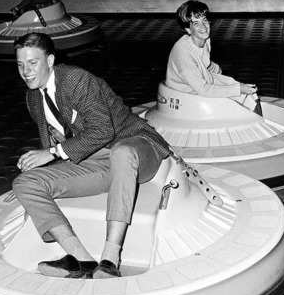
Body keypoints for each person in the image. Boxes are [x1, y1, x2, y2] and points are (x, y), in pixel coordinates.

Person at [12, 33, 170, 279]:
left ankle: (110, 258)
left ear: (50, 60)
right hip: (96, 162)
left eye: (32, 63)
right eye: (20, 64)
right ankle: (81, 260)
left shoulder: (75, 80)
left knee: (122, 153)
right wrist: (41, 168)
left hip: (136, 148)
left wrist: (52, 152)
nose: (26, 71)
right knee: (25, 183)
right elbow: (57, 140)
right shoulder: (33, 97)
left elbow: (103, 130)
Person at [166, 0, 257, 99]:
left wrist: (216, 69)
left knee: (232, 83)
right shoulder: (183, 53)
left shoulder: (205, 40)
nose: (203, 27)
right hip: (184, 92)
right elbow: (203, 89)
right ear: (188, 29)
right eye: (196, 24)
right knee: (236, 91)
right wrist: (238, 89)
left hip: (198, 83)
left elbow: (202, 61)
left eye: (204, 20)